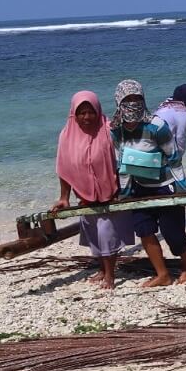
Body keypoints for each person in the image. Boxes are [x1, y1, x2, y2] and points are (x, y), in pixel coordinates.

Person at [110, 79, 186, 287]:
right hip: (139, 188)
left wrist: (181, 188)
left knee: (173, 232)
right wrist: (125, 192)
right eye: (128, 100)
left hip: (165, 186)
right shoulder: (116, 131)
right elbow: (122, 163)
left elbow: (173, 156)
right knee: (144, 230)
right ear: (119, 102)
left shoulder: (156, 125)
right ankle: (162, 274)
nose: (133, 104)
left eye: (137, 99)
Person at [50, 91, 134, 289]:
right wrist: (64, 197)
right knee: (94, 235)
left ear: (98, 111)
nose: (87, 117)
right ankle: (103, 270)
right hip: (85, 195)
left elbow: (126, 156)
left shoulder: (108, 129)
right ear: (73, 114)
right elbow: (64, 168)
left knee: (107, 233)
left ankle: (110, 275)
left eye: (91, 112)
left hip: (112, 194)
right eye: (81, 113)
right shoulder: (66, 135)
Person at [154, 84, 186, 157]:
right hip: (163, 149)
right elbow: (180, 139)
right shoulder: (182, 112)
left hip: (151, 146)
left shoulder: (165, 105)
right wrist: (177, 160)